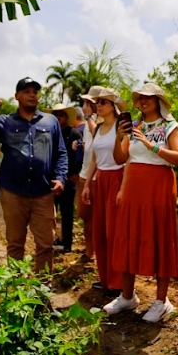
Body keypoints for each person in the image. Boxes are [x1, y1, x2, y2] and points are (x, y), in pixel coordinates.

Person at [106, 82, 178, 323]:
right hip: (133, 190)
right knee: (128, 237)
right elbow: (121, 158)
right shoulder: (135, 126)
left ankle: (162, 302)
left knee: (159, 238)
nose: (142, 101)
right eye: (139, 98)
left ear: (158, 100)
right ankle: (128, 296)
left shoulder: (170, 126)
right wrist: (119, 136)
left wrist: (153, 146)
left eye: (148, 97)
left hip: (158, 188)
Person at [0, 77, 68, 273]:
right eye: (27, 91)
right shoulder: (5, 122)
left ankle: (42, 291)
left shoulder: (50, 122)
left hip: (43, 192)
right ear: (16, 96)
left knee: (45, 245)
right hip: (13, 192)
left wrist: (60, 177)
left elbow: (61, 152)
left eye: (35, 91)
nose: (32, 95)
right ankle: (15, 290)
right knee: (15, 244)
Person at [79, 87, 129, 294]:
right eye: (96, 103)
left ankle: (118, 282)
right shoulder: (98, 128)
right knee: (100, 231)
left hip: (117, 178)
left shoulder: (123, 127)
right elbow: (94, 158)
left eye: (102, 103)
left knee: (114, 232)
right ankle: (106, 278)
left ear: (113, 106)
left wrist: (123, 189)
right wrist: (88, 183)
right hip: (101, 180)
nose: (97, 106)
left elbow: (128, 159)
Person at [76, 87, 105, 261]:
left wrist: (88, 117)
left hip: (98, 176)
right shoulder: (88, 123)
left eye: (90, 102)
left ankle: (100, 253)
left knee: (99, 219)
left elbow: (99, 136)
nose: (86, 106)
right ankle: (89, 252)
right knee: (86, 217)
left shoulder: (103, 121)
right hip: (84, 174)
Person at [50, 103, 84, 253]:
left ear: (66, 117)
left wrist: (76, 172)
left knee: (67, 212)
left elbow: (80, 155)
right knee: (49, 212)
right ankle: (50, 241)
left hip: (69, 179)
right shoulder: (49, 133)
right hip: (51, 178)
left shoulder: (74, 133)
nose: (59, 118)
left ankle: (67, 244)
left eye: (61, 115)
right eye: (56, 115)